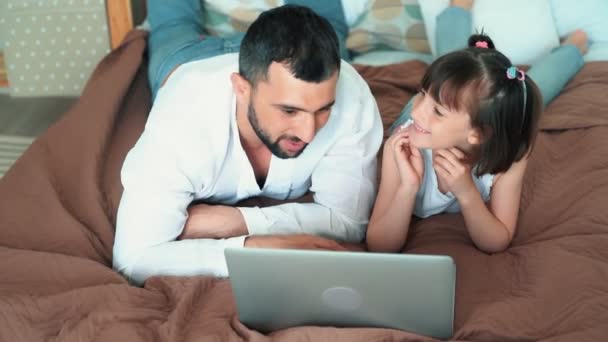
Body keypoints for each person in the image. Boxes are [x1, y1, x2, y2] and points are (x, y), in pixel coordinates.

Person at [113, 1, 383, 285]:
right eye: (289, 111)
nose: (308, 133)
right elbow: (133, 259)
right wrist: (255, 247)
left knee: (323, 24)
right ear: (241, 89)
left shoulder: (350, 96)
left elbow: (349, 223)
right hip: (187, 58)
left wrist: (233, 221)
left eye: (323, 109)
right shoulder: (183, 121)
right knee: (173, 23)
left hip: (273, 58)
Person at [366, 0, 589, 254]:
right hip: (423, 132)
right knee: (449, 71)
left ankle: (573, 47)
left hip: (450, 128)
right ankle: (457, 9)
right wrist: (407, 188)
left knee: (537, 90)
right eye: (421, 93)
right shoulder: (403, 144)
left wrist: (467, 192)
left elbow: (497, 239)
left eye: (437, 110)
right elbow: (379, 244)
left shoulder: (513, 155)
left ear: (478, 134)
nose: (418, 109)